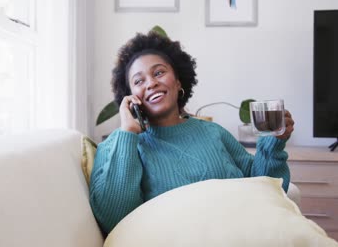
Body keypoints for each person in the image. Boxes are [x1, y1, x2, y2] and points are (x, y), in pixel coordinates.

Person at [89, 31, 295, 235]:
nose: (151, 83)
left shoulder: (213, 132)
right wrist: (128, 134)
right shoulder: (120, 143)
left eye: (159, 72)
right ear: (130, 97)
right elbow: (114, 219)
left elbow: (264, 189)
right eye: (138, 81)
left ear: (178, 82)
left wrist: (273, 142)